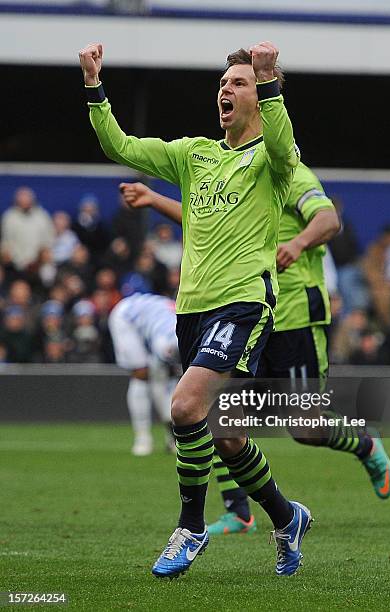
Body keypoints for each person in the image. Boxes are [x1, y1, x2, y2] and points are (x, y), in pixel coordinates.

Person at [80, 40, 309, 578]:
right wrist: (94, 85)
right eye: (224, 84)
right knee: (227, 434)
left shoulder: (274, 161)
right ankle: (285, 515)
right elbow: (121, 146)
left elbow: (281, 138)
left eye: (238, 83)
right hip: (192, 311)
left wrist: (270, 77)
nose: (225, 90)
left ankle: (191, 526)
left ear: (261, 97)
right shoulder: (193, 154)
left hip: (244, 303)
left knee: (184, 408)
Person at [120, 162, 390, 539]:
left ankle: (364, 443)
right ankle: (238, 511)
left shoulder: (291, 174)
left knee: (303, 425)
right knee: (217, 414)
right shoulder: (234, 174)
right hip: (245, 312)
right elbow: (204, 221)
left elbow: (329, 220)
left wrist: (297, 243)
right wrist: (154, 198)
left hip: (293, 315)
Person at [108, 285, 179, 455]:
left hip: (149, 318)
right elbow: (159, 383)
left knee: (174, 382)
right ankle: (143, 439)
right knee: (142, 374)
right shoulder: (167, 342)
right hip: (126, 317)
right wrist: (171, 421)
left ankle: (173, 438)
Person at [1, 186, 54, 274]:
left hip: (38, 263)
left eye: (27, 198)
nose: (24, 202)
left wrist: (43, 255)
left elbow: (48, 239)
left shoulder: (42, 216)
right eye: (21, 199)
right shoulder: (9, 217)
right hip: (15, 262)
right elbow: (5, 240)